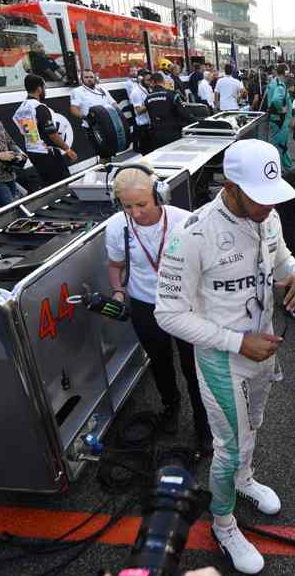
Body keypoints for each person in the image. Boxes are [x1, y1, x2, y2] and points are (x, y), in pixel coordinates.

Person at [155, 139, 295, 575]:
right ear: (231, 187)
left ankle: (244, 480)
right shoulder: (193, 233)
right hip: (224, 358)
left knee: (254, 427)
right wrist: (236, 342)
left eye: (272, 196)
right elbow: (167, 314)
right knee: (229, 447)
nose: (268, 206)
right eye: (259, 198)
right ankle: (223, 524)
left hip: (263, 351)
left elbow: (282, 261)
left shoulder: (270, 216)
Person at [105, 164, 210, 450]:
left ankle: (204, 421)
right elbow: (116, 265)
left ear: (159, 195)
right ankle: (170, 407)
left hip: (186, 305)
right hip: (145, 306)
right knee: (160, 363)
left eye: (142, 204)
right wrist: (117, 291)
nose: (136, 213)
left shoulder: (187, 221)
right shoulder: (117, 226)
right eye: (128, 206)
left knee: (194, 367)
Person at [14, 74, 77, 187]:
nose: (45, 91)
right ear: (39, 88)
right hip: (47, 151)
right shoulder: (40, 107)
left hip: (32, 151)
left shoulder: (21, 108)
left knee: (48, 184)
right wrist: (67, 149)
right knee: (64, 183)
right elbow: (52, 134)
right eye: (44, 88)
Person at [145, 71, 193, 149]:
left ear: (153, 82)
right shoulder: (172, 95)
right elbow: (183, 113)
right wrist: (196, 122)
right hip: (173, 134)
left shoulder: (148, 98)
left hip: (156, 135)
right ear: (163, 82)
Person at [69, 69, 119, 134]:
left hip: (110, 124)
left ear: (95, 78)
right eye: (86, 77)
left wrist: (118, 114)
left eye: (91, 77)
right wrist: (85, 117)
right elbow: (73, 109)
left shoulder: (102, 89)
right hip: (93, 127)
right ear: (81, 79)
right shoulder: (77, 91)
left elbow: (113, 103)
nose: (89, 79)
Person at [264, 64, 293, 169]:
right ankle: (289, 171)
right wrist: (281, 109)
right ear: (285, 72)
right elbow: (276, 100)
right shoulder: (280, 85)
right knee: (282, 147)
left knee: (279, 146)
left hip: (276, 120)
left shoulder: (274, 82)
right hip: (281, 121)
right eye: (288, 72)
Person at [128, 69, 152, 154]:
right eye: (148, 80)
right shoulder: (136, 92)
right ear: (141, 79)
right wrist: (152, 103)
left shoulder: (149, 89)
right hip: (144, 128)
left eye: (151, 80)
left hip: (151, 125)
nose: (150, 82)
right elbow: (138, 111)